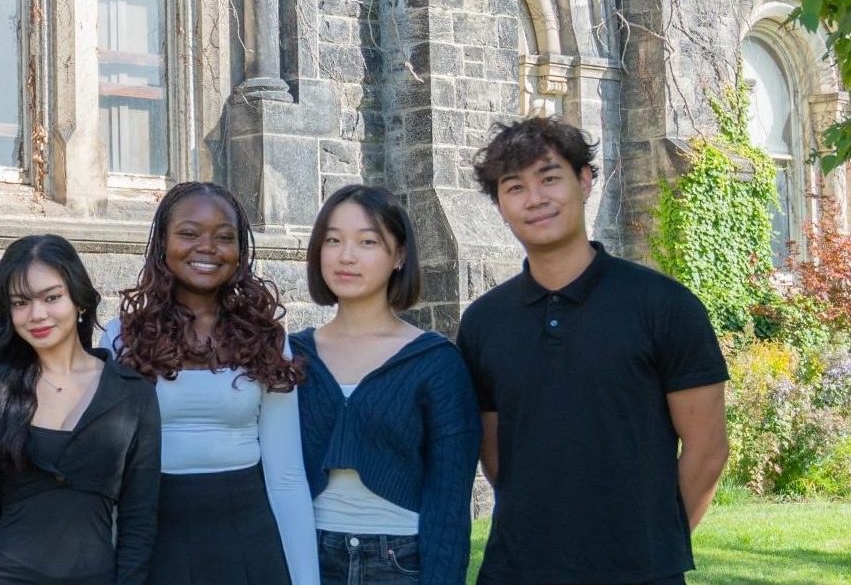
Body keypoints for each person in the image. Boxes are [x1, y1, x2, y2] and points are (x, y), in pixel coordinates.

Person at [459, 117, 729, 585]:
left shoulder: (664, 305)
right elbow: (496, 453)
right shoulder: (483, 322)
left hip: (640, 572)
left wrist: (650, 544)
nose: (536, 199)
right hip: (517, 570)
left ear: (584, 181)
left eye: (549, 178)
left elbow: (708, 449)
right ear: (500, 206)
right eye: (514, 187)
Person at [99, 181, 318, 585]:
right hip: (154, 538)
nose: (207, 247)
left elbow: (286, 475)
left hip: (248, 540)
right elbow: (111, 472)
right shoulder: (120, 338)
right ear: (162, 242)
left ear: (240, 252)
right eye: (188, 233)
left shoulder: (266, 339)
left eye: (224, 237)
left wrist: (306, 580)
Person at [290, 185, 479, 585]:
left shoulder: (435, 362)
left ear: (399, 255)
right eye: (333, 240)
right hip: (306, 558)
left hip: (400, 561)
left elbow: (449, 502)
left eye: (367, 241)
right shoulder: (292, 357)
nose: (346, 256)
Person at [0, 234, 161, 584]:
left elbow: (139, 520)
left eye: (52, 298)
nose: (37, 314)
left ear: (79, 300)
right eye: (20, 302)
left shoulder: (132, 394)